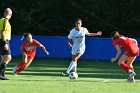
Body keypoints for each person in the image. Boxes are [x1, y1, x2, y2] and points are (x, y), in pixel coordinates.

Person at [0, 8, 12, 80]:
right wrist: (5, 43)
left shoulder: (1, 20)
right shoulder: (5, 21)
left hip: (2, 40)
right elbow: (2, 32)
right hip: (3, 40)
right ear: (10, 14)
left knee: (4, 58)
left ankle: (2, 75)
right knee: (8, 58)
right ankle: (0, 74)